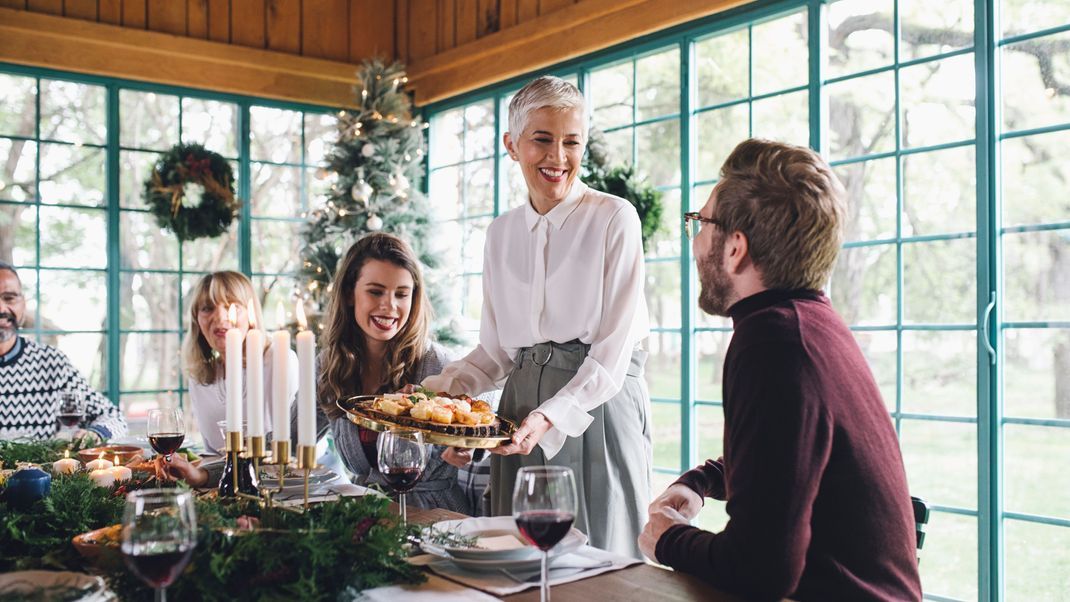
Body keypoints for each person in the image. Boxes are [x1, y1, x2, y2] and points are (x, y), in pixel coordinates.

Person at [638, 139, 922, 601]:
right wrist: (703, 481)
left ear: (735, 248)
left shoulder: (773, 343)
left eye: (700, 223)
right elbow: (791, 459)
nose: (695, 242)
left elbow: (760, 572)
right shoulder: (809, 325)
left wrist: (666, 538)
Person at [422, 76, 652, 557]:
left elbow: (613, 353)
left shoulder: (615, 218)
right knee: (521, 559)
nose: (558, 158)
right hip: (520, 408)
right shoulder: (500, 234)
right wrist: (443, 400)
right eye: (542, 140)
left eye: (572, 142)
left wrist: (550, 417)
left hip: (598, 410)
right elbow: (496, 352)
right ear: (511, 144)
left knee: (601, 562)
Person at [310, 233, 475, 514]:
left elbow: (489, 412)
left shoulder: (438, 363)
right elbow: (282, 443)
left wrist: (466, 445)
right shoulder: (329, 366)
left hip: (438, 519)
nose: (389, 306)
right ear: (350, 294)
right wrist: (212, 471)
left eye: (401, 294)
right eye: (375, 291)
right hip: (364, 517)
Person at [0, 261, 127, 445]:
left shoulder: (51, 363)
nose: (1, 309)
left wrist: (94, 434)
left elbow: (114, 418)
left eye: (9, 298)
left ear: (23, 303)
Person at [180, 271, 298, 456]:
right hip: (234, 482)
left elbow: (299, 443)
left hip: (302, 479)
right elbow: (214, 456)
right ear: (196, 319)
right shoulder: (199, 377)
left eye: (232, 306)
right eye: (207, 308)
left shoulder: (279, 359)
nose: (220, 317)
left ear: (251, 316)